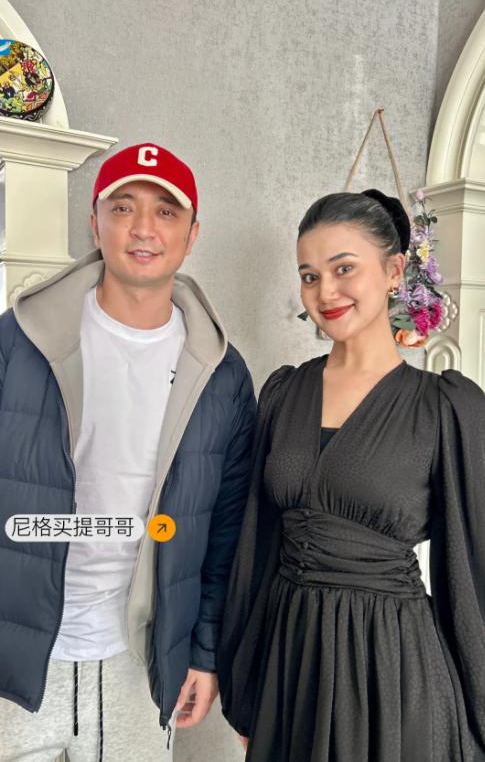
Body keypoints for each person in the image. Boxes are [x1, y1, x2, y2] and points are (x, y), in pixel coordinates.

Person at [0, 143, 256, 762]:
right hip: (15, 653)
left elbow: (224, 531)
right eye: (123, 207)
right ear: (95, 224)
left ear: (192, 235)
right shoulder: (17, 341)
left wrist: (203, 654)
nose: (143, 228)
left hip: (141, 658)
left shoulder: (221, 373)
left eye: (166, 211)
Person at [218, 189, 485, 762]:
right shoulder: (283, 393)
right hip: (289, 662)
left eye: (344, 269)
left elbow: (474, 567)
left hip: (391, 667)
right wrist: (247, 683)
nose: (325, 292)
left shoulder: (445, 408)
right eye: (309, 276)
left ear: (393, 272)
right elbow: (255, 545)